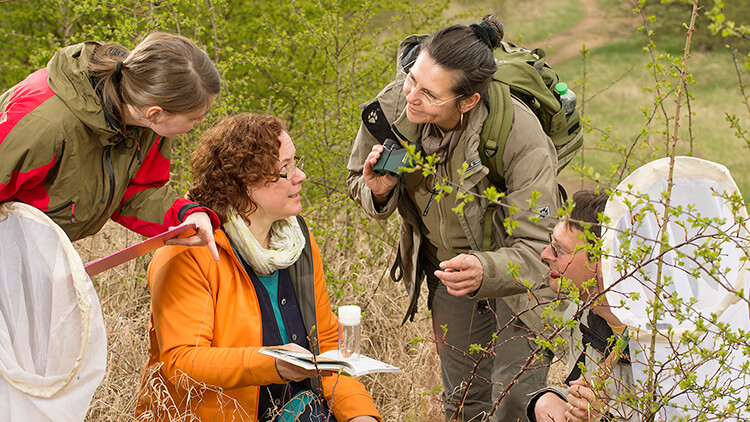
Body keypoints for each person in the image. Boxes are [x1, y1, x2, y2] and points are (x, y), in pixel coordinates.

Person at [346, 15, 562, 422]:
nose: (411, 97)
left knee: (515, 401)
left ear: (467, 101)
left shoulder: (518, 133)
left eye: (428, 94)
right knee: (463, 402)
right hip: (449, 273)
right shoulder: (392, 111)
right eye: (412, 79)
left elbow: (541, 246)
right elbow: (357, 179)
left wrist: (486, 267)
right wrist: (378, 190)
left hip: (518, 277)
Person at [136, 113, 382, 422]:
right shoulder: (189, 250)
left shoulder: (299, 241)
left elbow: (328, 350)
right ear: (242, 184)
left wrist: (361, 416)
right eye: (284, 170)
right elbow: (183, 363)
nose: (300, 176)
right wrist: (272, 364)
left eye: (296, 163)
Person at [0, 32, 222, 259]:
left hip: (37, 252)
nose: (201, 122)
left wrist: (186, 216)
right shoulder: (45, 124)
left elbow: (135, 191)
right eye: (196, 117)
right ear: (155, 113)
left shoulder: (148, 122)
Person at [527, 190, 636, 422]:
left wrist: (603, 417)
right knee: (547, 406)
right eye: (550, 244)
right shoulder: (581, 313)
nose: (546, 255)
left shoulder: (658, 339)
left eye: (560, 249)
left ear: (601, 260)